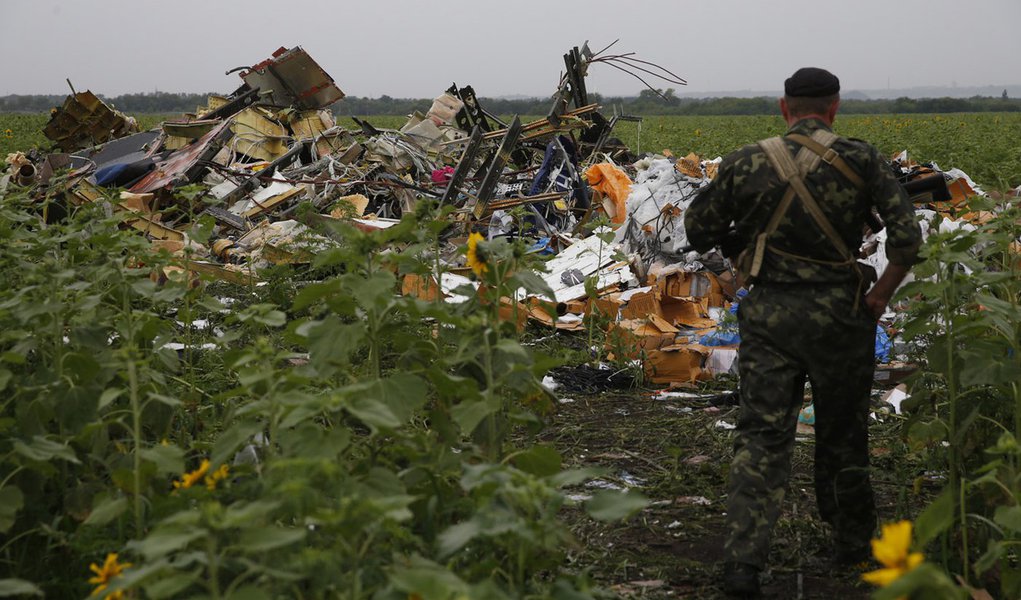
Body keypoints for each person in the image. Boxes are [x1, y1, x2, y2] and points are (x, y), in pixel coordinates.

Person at [683, 67, 922, 597]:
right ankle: (852, 547)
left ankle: (743, 563)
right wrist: (878, 297)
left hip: (768, 317)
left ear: (783, 107)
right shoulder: (861, 159)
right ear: (835, 107)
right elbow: (907, 239)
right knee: (843, 433)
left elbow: (697, 230)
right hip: (841, 318)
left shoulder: (747, 161)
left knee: (762, 435)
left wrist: (746, 247)